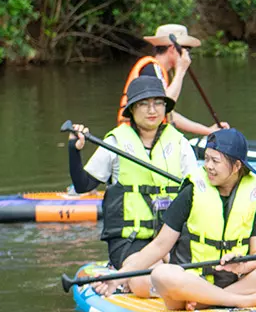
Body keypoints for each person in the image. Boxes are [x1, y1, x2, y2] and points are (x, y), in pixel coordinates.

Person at [114, 129, 256, 309]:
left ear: (236, 166)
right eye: (206, 158)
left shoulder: (251, 195)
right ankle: (239, 301)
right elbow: (160, 245)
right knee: (162, 274)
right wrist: (119, 277)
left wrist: (241, 265)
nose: (207, 166)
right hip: (191, 284)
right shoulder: (192, 191)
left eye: (215, 161)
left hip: (232, 282)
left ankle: (210, 301)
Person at [69, 76, 200, 268]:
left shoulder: (180, 143)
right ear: (132, 109)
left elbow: (198, 192)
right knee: (155, 273)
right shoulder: (115, 143)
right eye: (144, 104)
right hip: (129, 241)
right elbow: (83, 186)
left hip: (172, 238)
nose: (152, 110)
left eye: (158, 103)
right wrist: (74, 148)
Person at [117, 24, 224, 137]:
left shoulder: (159, 72)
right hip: (133, 137)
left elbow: (170, 115)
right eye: (187, 49)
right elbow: (166, 105)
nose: (188, 54)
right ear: (173, 48)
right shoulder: (150, 68)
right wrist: (181, 70)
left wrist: (209, 131)